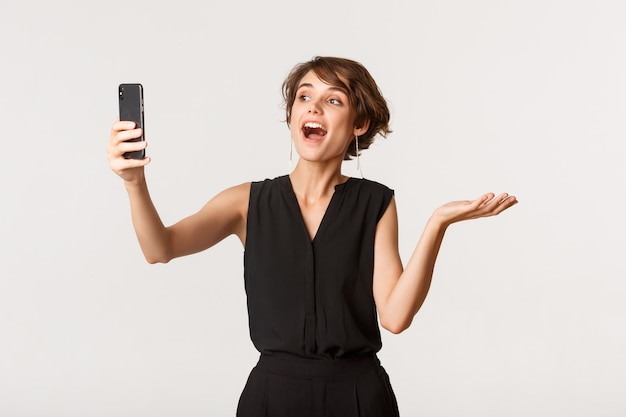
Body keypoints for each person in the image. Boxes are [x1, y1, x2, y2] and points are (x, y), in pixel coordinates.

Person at [107, 56, 517, 417]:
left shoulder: (375, 202)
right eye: (304, 97)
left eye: (333, 99)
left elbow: (394, 316)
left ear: (359, 123)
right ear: (291, 117)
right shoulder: (246, 202)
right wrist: (133, 182)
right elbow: (159, 249)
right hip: (271, 397)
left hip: (358, 397)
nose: (314, 107)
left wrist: (437, 223)